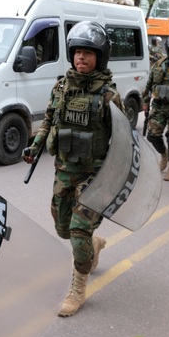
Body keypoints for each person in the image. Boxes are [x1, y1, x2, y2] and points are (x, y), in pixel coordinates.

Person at [22, 21, 123, 317]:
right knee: (63, 227)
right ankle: (93, 244)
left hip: (95, 174)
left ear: (99, 57)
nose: (82, 58)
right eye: (77, 52)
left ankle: (78, 287)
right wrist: (36, 144)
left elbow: (123, 141)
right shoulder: (61, 86)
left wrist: (116, 179)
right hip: (65, 169)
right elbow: (49, 119)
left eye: (88, 53)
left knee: (78, 230)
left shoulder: (108, 96)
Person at [142, 34, 169, 182]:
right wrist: (145, 101)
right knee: (152, 136)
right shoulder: (159, 64)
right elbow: (149, 85)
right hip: (159, 105)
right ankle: (164, 154)